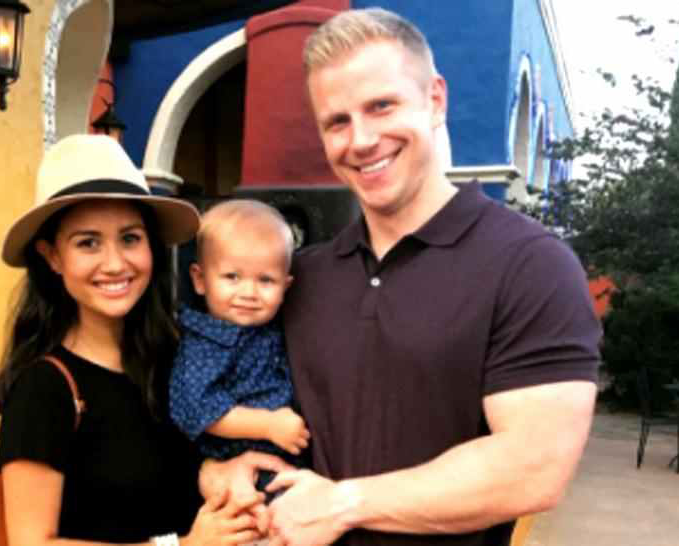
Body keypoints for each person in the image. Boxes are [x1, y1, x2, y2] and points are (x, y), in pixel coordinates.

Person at [204, 8, 602, 546]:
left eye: (381, 106)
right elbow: (243, 392)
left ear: (435, 99)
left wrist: (343, 505)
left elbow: (533, 467)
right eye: (337, 122)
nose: (361, 140)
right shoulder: (305, 276)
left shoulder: (530, 265)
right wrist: (222, 466)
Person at [0, 134, 263, 545]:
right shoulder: (44, 389)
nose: (116, 263)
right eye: (88, 243)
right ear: (52, 257)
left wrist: (222, 472)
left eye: (130, 238)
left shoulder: (178, 358)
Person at [169, 200, 310, 496]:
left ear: (286, 287)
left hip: (287, 458)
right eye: (232, 277)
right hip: (240, 469)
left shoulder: (273, 328)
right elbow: (196, 409)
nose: (248, 293)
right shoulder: (206, 341)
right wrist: (268, 425)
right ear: (200, 280)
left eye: (266, 280)